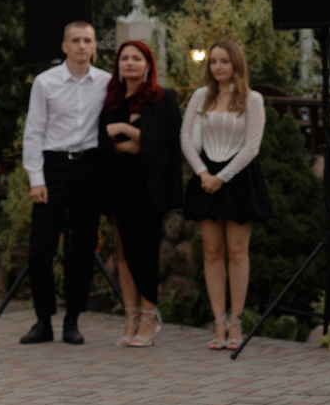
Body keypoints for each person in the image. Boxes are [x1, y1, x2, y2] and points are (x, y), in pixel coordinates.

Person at [19, 20, 109, 345]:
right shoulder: (45, 83)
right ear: (64, 45)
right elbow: (33, 131)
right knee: (41, 249)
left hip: (88, 169)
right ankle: (43, 320)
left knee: (81, 248)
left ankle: (73, 320)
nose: (82, 46)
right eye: (76, 40)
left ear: (95, 46)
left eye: (87, 40)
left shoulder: (106, 83)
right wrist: (36, 178)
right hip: (53, 168)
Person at [180, 39, 269, 351]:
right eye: (214, 62)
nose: (218, 67)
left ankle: (236, 321)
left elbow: (252, 145)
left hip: (239, 178)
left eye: (224, 61)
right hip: (206, 176)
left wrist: (223, 177)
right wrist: (204, 174)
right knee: (211, 251)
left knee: (237, 251)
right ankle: (217, 321)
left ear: (236, 65)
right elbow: (186, 137)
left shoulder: (253, 99)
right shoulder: (201, 97)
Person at [98, 38, 183, 348]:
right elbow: (104, 142)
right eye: (125, 59)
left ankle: (149, 316)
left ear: (148, 64)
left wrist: (128, 134)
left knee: (145, 252)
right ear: (118, 65)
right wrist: (129, 141)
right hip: (119, 184)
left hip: (150, 187)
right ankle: (131, 317)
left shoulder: (163, 100)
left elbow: (164, 144)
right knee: (123, 252)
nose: (130, 63)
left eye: (136, 58)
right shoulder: (112, 102)